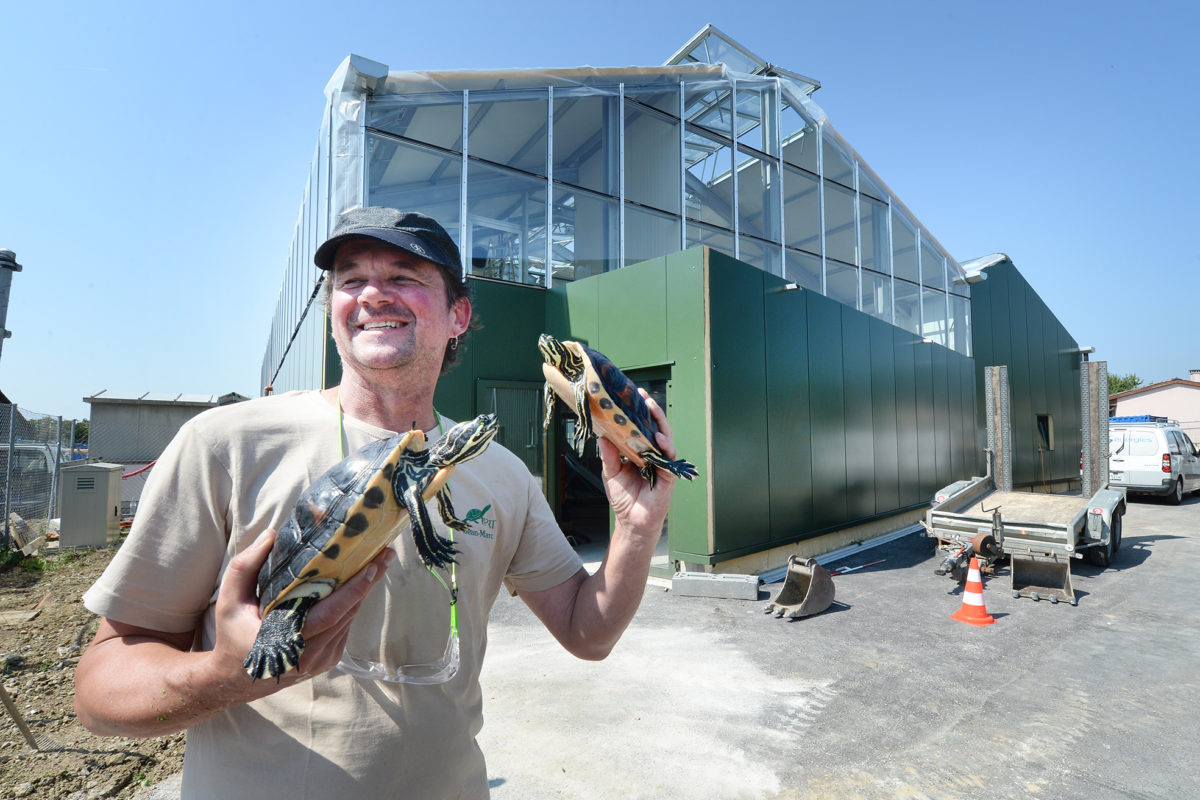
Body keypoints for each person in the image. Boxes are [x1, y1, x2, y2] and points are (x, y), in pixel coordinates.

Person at [74, 207, 679, 798]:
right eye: (351, 280)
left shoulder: (503, 475)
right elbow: (98, 692)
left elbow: (588, 634)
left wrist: (636, 525)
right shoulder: (226, 444)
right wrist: (222, 676)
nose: (372, 294)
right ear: (333, 308)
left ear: (458, 315)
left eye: (403, 278)